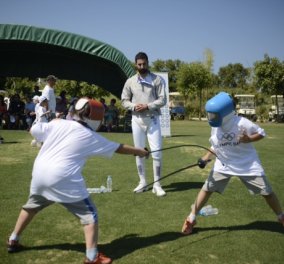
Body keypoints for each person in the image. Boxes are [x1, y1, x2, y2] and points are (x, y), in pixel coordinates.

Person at [7, 97, 149, 264]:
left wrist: (55, 122)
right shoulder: (89, 135)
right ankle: (91, 257)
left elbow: (34, 130)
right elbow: (118, 148)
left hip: (39, 174)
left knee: (30, 207)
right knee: (90, 216)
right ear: (96, 118)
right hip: (63, 178)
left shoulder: (57, 123)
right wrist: (140, 151)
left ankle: (13, 239)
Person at [181, 92, 284, 235]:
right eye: (210, 114)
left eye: (214, 115)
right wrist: (205, 158)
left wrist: (249, 139)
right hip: (224, 164)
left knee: (267, 192)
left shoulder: (242, 122)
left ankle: (281, 217)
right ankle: (191, 218)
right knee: (206, 189)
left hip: (247, 164)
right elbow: (215, 145)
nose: (211, 118)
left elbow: (261, 133)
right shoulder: (215, 125)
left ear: (225, 113)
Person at [121, 52, 167, 197]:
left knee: (157, 152)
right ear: (135, 64)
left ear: (148, 63)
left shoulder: (157, 79)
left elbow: (163, 100)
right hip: (136, 120)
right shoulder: (130, 81)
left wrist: (147, 106)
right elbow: (124, 100)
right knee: (139, 152)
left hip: (152, 119)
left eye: (144, 64)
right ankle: (142, 182)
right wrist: (134, 106)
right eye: (139, 64)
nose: (142, 66)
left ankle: (157, 184)